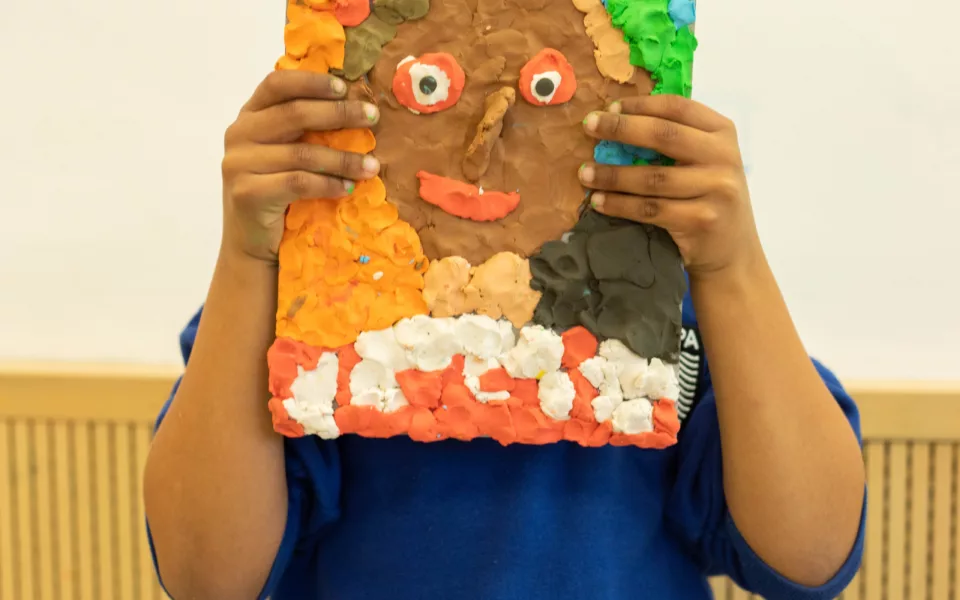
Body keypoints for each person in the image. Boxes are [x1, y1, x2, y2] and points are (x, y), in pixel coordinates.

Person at [143, 70, 866, 600]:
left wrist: (731, 265)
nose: (481, 142)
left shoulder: (659, 285)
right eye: (428, 87)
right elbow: (208, 577)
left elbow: (811, 555)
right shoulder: (307, 299)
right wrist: (246, 259)